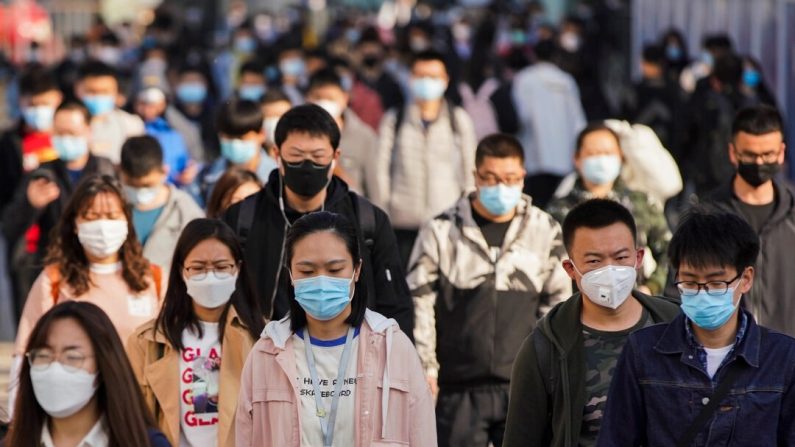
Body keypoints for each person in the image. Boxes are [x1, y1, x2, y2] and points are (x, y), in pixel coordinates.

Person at [409, 134, 571, 446]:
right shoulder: (442, 229)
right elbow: (420, 300)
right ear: (475, 177)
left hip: (524, 384)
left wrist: (548, 371)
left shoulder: (545, 230)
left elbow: (558, 303)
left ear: (523, 177)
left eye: (510, 178)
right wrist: (426, 367)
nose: (501, 187)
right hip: (458, 387)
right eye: (491, 178)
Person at [596, 208, 795, 446]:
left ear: (746, 279)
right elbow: (616, 438)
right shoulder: (643, 351)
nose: (702, 293)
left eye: (715, 282)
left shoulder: (782, 357)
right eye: (689, 282)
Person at [236, 211, 436, 446]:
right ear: (290, 273)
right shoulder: (267, 353)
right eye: (307, 271)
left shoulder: (393, 348)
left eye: (334, 270)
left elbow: (422, 435)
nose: (321, 281)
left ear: (357, 270)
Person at [222, 104, 414, 337]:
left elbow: (395, 302)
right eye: (296, 156)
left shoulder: (367, 220)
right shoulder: (243, 218)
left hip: (351, 356)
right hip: (265, 354)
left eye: (317, 156)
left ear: (335, 157)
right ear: (276, 155)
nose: (307, 165)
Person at [503, 199, 680, 447]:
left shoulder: (676, 327)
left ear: (638, 258)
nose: (610, 270)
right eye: (594, 261)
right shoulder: (546, 348)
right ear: (570, 269)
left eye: (620, 257)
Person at [11, 175, 163, 411]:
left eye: (112, 216)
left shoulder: (152, 278)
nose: (102, 226)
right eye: (92, 217)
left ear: (126, 220)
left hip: (139, 410)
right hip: (73, 411)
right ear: (75, 223)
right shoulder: (54, 280)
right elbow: (24, 353)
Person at [127, 218, 265, 446]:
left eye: (221, 267)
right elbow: (133, 417)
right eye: (198, 268)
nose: (210, 276)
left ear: (237, 269)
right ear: (182, 271)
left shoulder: (262, 338)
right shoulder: (148, 342)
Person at [2, 101, 115, 317]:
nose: (66, 139)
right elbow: (9, 225)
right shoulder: (42, 174)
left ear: (88, 132)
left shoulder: (105, 171)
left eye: (72, 133)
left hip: (97, 271)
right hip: (53, 272)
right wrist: (30, 205)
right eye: (60, 133)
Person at [6, 301, 170, 446]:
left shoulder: (146, 443)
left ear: (103, 366)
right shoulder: (13, 442)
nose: (55, 369)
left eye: (72, 357)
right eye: (43, 356)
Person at [374, 49, 478, 267]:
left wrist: (465, 214)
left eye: (433, 77)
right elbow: (380, 169)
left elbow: (470, 169)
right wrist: (384, 213)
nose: (427, 82)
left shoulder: (458, 120)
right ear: (411, 79)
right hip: (402, 222)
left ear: (445, 80)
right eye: (421, 76)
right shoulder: (395, 119)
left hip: (446, 221)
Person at [701, 105, 795, 336]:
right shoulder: (706, 216)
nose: (760, 163)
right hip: (728, 357)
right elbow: (681, 289)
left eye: (768, 155)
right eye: (750, 155)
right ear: (733, 154)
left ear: (781, 152)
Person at [547, 123, 672, 295]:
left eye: (607, 153)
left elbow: (669, 250)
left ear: (621, 157)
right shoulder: (559, 209)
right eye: (593, 154)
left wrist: (652, 287)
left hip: (635, 304)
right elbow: (548, 263)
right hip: (579, 308)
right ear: (577, 158)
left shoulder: (640, 202)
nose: (601, 160)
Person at [512, 39, 586, 205]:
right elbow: (578, 120)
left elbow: (520, 116)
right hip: (564, 156)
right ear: (556, 56)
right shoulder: (566, 81)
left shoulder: (524, 79)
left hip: (533, 156)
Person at [119, 135, 204, 272]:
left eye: (147, 185)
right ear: (121, 172)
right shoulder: (110, 207)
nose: (140, 191)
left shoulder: (184, 210)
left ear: (164, 171)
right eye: (132, 185)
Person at [306, 68, 378, 197]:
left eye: (330, 98)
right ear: (308, 98)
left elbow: (375, 188)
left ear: (345, 98)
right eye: (318, 98)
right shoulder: (298, 136)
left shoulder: (364, 136)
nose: (324, 103)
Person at [0, 65, 62, 214]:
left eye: (45, 104)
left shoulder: (69, 136)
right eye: (33, 105)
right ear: (21, 101)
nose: (39, 110)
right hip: (24, 228)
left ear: (58, 98)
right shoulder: (10, 142)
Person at [195, 99, 277, 206]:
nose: (235, 144)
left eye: (242, 138)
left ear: (261, 134)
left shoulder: (277, 177)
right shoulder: (205, 178)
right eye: (229, 138)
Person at [75, 60, 145, 164]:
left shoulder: (131, 124)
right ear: (78, 90)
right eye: (92, 91)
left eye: (105, 92)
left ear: (116, 91)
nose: (99, 97)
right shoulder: (68, 123)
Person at [620, 44, 685, 154]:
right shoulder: (635, 90)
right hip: (639, 146)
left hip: (666, 148)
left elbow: (680, 122)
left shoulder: (673, 90)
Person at [134, 86, 196, 187]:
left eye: (153, 104)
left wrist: (191, 170)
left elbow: (190, 161)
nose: (147, 108)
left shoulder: (174, 132)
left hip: (174, 188)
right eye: (143, 103)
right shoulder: (130, 128)